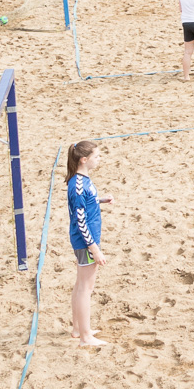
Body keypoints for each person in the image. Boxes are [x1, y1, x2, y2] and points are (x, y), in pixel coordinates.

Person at [65, 140, 111, 347]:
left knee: (80, 285)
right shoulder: (78, 185)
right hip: (86, 241)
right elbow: (80, 220)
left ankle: (78, 328)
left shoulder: (81, 180)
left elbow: (85, 204)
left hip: (86, 239)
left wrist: (101, 200)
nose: (99, 159)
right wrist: (95, 249)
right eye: (96, 156)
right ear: (84, 160)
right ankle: (85, 337)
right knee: (86, 288)